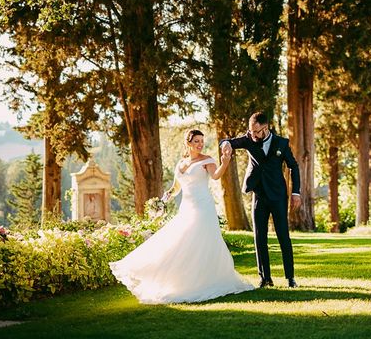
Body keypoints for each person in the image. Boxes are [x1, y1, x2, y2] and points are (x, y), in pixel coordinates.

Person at [109, 129, 254, 304]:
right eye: (196, 141)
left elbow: (216, 176)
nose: (200, 144)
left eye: (202, 141)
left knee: (200, 241)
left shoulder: (207, 160)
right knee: (180, 241)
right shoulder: (181, 163)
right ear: (188, 143)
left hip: (203, 207)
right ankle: (181, 280)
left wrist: (224, 162)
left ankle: (204, 280)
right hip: (187, 207)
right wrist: (163, 200)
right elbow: (176, 187)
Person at [221, 112, 301, 288]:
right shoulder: (249, 139)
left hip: (278, 195)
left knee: (283, 236)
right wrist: (225, 144)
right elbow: (230, 142)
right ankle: (265, 278)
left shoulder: (282, 143)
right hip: (259, 194)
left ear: (266, 128)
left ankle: (290, 277)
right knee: (259, 237)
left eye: (257, 131)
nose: (253, 135)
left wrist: (296, 192)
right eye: (251, 131)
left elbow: (293, 166)